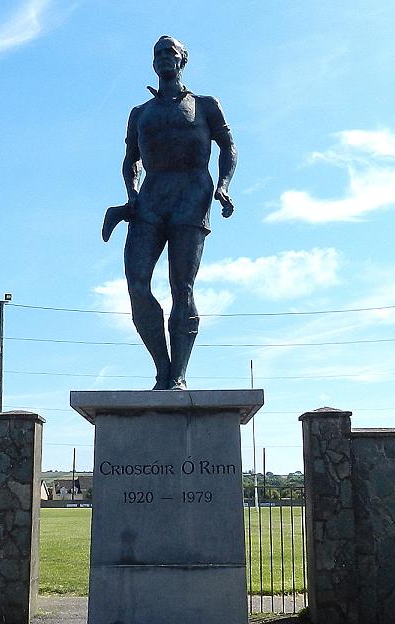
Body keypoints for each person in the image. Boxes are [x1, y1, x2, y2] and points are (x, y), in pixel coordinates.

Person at [120, 35, 237, 390]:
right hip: (150, 200)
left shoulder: (205, 105)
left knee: (181, 287)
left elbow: (228, 146)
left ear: (183, 60)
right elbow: (131, 160)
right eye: (157, 53)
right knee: (137, 284)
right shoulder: (140, 113)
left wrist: (223, 185)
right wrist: (131, 194)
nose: (163, 57)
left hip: (191, 196)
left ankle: (178, 375)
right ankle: (162, 369)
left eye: (169, 52)